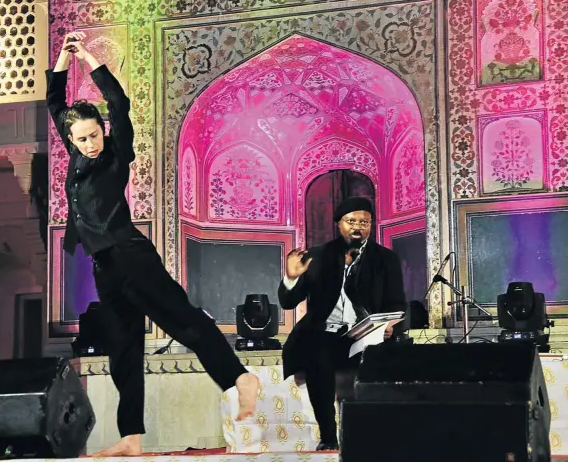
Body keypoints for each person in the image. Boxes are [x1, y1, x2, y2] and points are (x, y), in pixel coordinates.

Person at [46, 32, 259, 456]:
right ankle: (131, 437)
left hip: (130, 255)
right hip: (104, 265)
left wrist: (87, 56)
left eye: (94, 134)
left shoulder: (114, 152)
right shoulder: (76, 155)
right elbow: (54, 102)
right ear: (71, 140)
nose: (91, 143)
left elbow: (119, 104)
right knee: (122, 348)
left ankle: (239, 378)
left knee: (182, 320)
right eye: (82, 138)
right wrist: (60, 58)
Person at [277, 196, 407, 451]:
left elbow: (396, 302)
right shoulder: (317, 256)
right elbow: (288, 302)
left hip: (367, 335)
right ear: (338, 224)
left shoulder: (386, 259)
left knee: (383, 365)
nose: (358, 227)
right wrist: (291, 277)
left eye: (364, 222)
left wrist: (392, 324)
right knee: (318, 358)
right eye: (351, 221)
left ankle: (369, 438)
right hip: (325, 334)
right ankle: (328, 438)